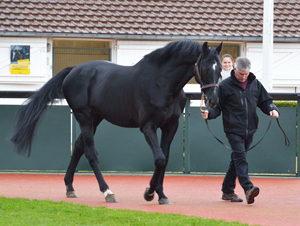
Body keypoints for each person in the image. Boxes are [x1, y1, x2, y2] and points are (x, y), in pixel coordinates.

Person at [201, 57, 279, 204]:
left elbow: (265, 101)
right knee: (241, 158)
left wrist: (272, 109)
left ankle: (227, 191)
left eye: (246, 74)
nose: (244, 77)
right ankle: (248, 188)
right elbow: (217, 108)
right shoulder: (224, 86)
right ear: (234, 69)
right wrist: (209, 113)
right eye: (241, 74)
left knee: (236, 160)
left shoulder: (255, 83)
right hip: (233, 130)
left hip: (250, 130)